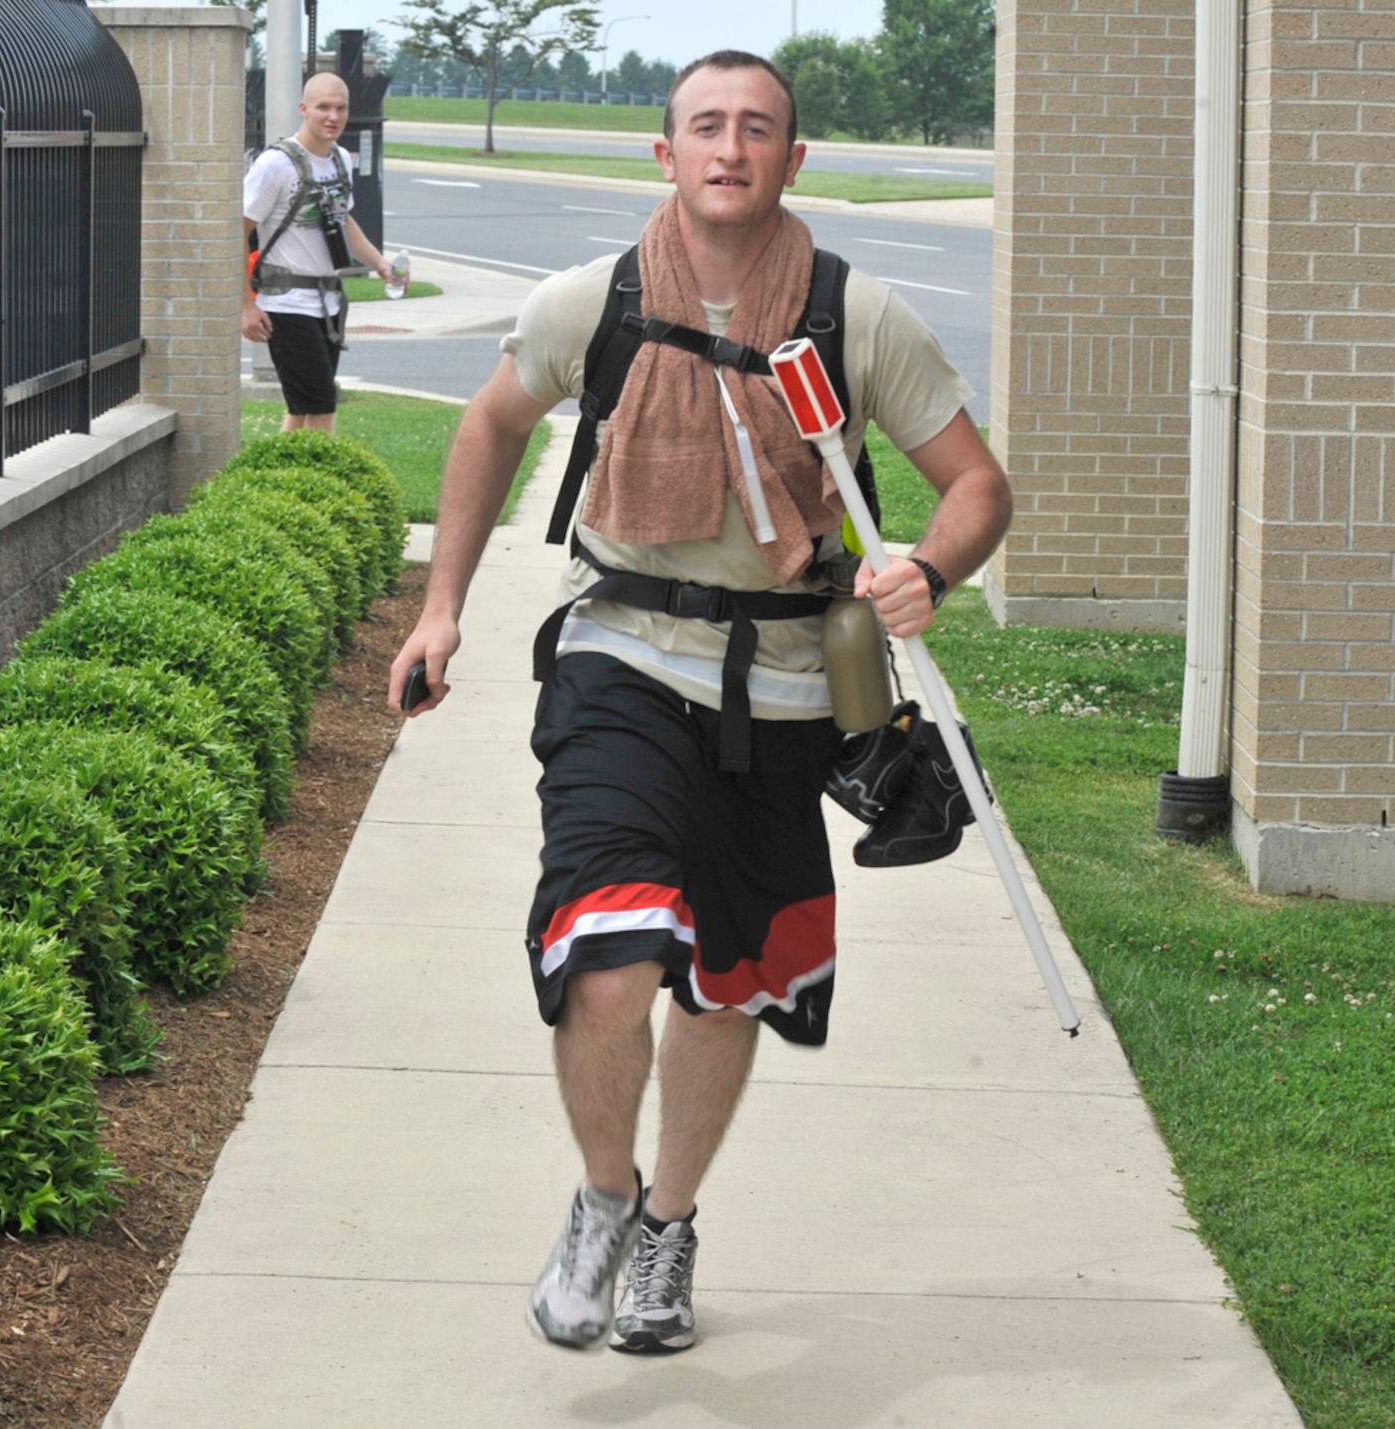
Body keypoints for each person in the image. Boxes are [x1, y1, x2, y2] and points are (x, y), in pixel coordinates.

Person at [387, 51, 1013, 1355]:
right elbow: (488, 425)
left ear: (794, 162)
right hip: (621, 660)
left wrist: (928, 570)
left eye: (760, 129)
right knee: (610, 952)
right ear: (664, 155)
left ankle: (670, 1223)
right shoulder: (595, 302)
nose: (731, 146)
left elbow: (976, 486)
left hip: (789, 689)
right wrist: (440, 607)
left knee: (725, 981)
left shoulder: (856, 316)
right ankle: (604, 1200)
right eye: (706, 126)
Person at [241, 71, 398, 434]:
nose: (333, 116)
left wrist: (379, 263)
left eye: (341, 108)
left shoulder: (341, 158)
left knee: (302, 410)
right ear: (304, 109)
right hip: (286, 301)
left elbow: (344, 221)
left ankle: (277, 480)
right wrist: (246, 305)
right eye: (323, 107)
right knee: (322, 407)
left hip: (328, 300)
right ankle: (316, 486)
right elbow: (238, 229)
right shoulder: (275, 164)